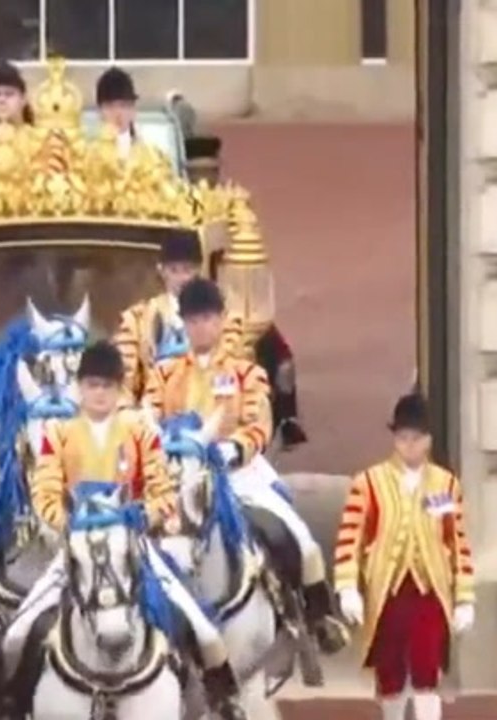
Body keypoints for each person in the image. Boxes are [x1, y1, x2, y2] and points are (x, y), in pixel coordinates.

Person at [6, 340, 245, 720]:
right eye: (92, 385)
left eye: (107, 386)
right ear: (80, 388)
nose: (99, 394)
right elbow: (44, 491)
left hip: (133, 545)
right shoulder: (58, 432)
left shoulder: (139, 431)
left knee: (204, 628)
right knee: (17, 631)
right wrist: (70, 524)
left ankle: (223, 697)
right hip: (78, 548)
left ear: (119, 390)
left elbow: (163, 490)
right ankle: (12, 703)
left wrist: (142, 516)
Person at [142, 278, 345, 653]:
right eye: (193, 320)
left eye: (207, 318)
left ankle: (318, 617)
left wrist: (234, 449)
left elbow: (259, 422)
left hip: (236, 469)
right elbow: (148, 421)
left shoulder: (247, 373)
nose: (201, 327)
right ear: (184, 324)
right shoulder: (164, 373)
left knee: (300, 538)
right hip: (180, 473)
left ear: (221, 320)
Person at [334, 394, 475, 720]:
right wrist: (347, 587)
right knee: (390, 673)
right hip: (387, 593)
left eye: (416, 438)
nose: (409, 445)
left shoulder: (446, 484)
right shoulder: (368, 482)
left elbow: (458, 543)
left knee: (427, 670)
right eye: (402, 438)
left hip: (430, 592)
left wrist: (465, 598)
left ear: (428, 440)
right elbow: (350, 538)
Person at [183, 133, 309, 449]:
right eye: (199, 172)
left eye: (210, 171)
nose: (205, 178)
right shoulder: (174, 202)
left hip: (230, 299)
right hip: (187, 298)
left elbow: (248, 259)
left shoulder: (232, 204)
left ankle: (286, 418)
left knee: (280, 357)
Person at [113, 234, 210, 407]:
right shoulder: (138, 319)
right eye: (174, 270)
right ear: (162, 270)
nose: (181, 278)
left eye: (187, 270)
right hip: (154, 407)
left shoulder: (220, 319)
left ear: (199, 270)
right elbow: (124, 380)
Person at [96, 66, 139, 159]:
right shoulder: (88, 156)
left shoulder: (150, 157)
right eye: (110, 106)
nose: (117, 113)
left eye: (123, 106)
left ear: (133, 110)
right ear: (99, 111)